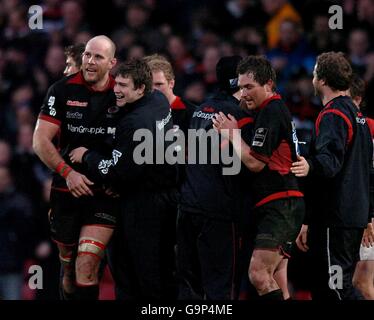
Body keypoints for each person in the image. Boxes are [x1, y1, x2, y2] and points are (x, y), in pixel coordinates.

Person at [69, 59, 178, 299]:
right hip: (169, 197)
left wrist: (88, 156)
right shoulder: (158, 101)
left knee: (137, 272)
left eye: (124, 85)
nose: (116, 89)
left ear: (141, 89)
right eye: (116, 83)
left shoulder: (133, 122)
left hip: (143, 204)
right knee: (161, 269)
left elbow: (117, 173)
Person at [33, 35, 119, 300]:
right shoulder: (61, 90)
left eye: (98, 57)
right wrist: (68, 173)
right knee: (69, 270)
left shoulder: (122, 93)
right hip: (65, 190)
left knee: (87, 262)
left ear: (112, 63)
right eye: (87, 56)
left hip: (104, 194)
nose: (90, 62)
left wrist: (120, 178)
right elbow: (40, 141)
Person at [213, 55, 305, 300]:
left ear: (268, 85)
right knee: (278, 280)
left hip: (280, 203)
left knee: (259, 274)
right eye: (241, 88)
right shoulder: (269, 109)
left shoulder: (272, 111)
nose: (243, 94)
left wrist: (232, 135)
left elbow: (254, 163)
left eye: (249, 87)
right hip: (279, 203)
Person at [291, 52, 373, 300]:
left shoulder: (332, 115)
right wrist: (368, 215)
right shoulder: (358, 117)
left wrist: (309, 165)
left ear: (322, 80)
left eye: (315, 72)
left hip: (335, 218)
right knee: (328, 286)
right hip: (352, 216)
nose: (313, 78)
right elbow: (368, 171)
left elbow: (329, 163)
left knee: (336, 288)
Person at [177, 56, 253, 300]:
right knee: (222, 287)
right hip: (221, 213)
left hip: (189, 208)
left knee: (192, 286)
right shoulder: (241, 116)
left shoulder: (201, 110)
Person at [348, 75, 374, 300]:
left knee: (362, 281)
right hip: (358, 212)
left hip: (369, 214)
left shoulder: (369, 128)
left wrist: (369, 218)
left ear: (357, 99)